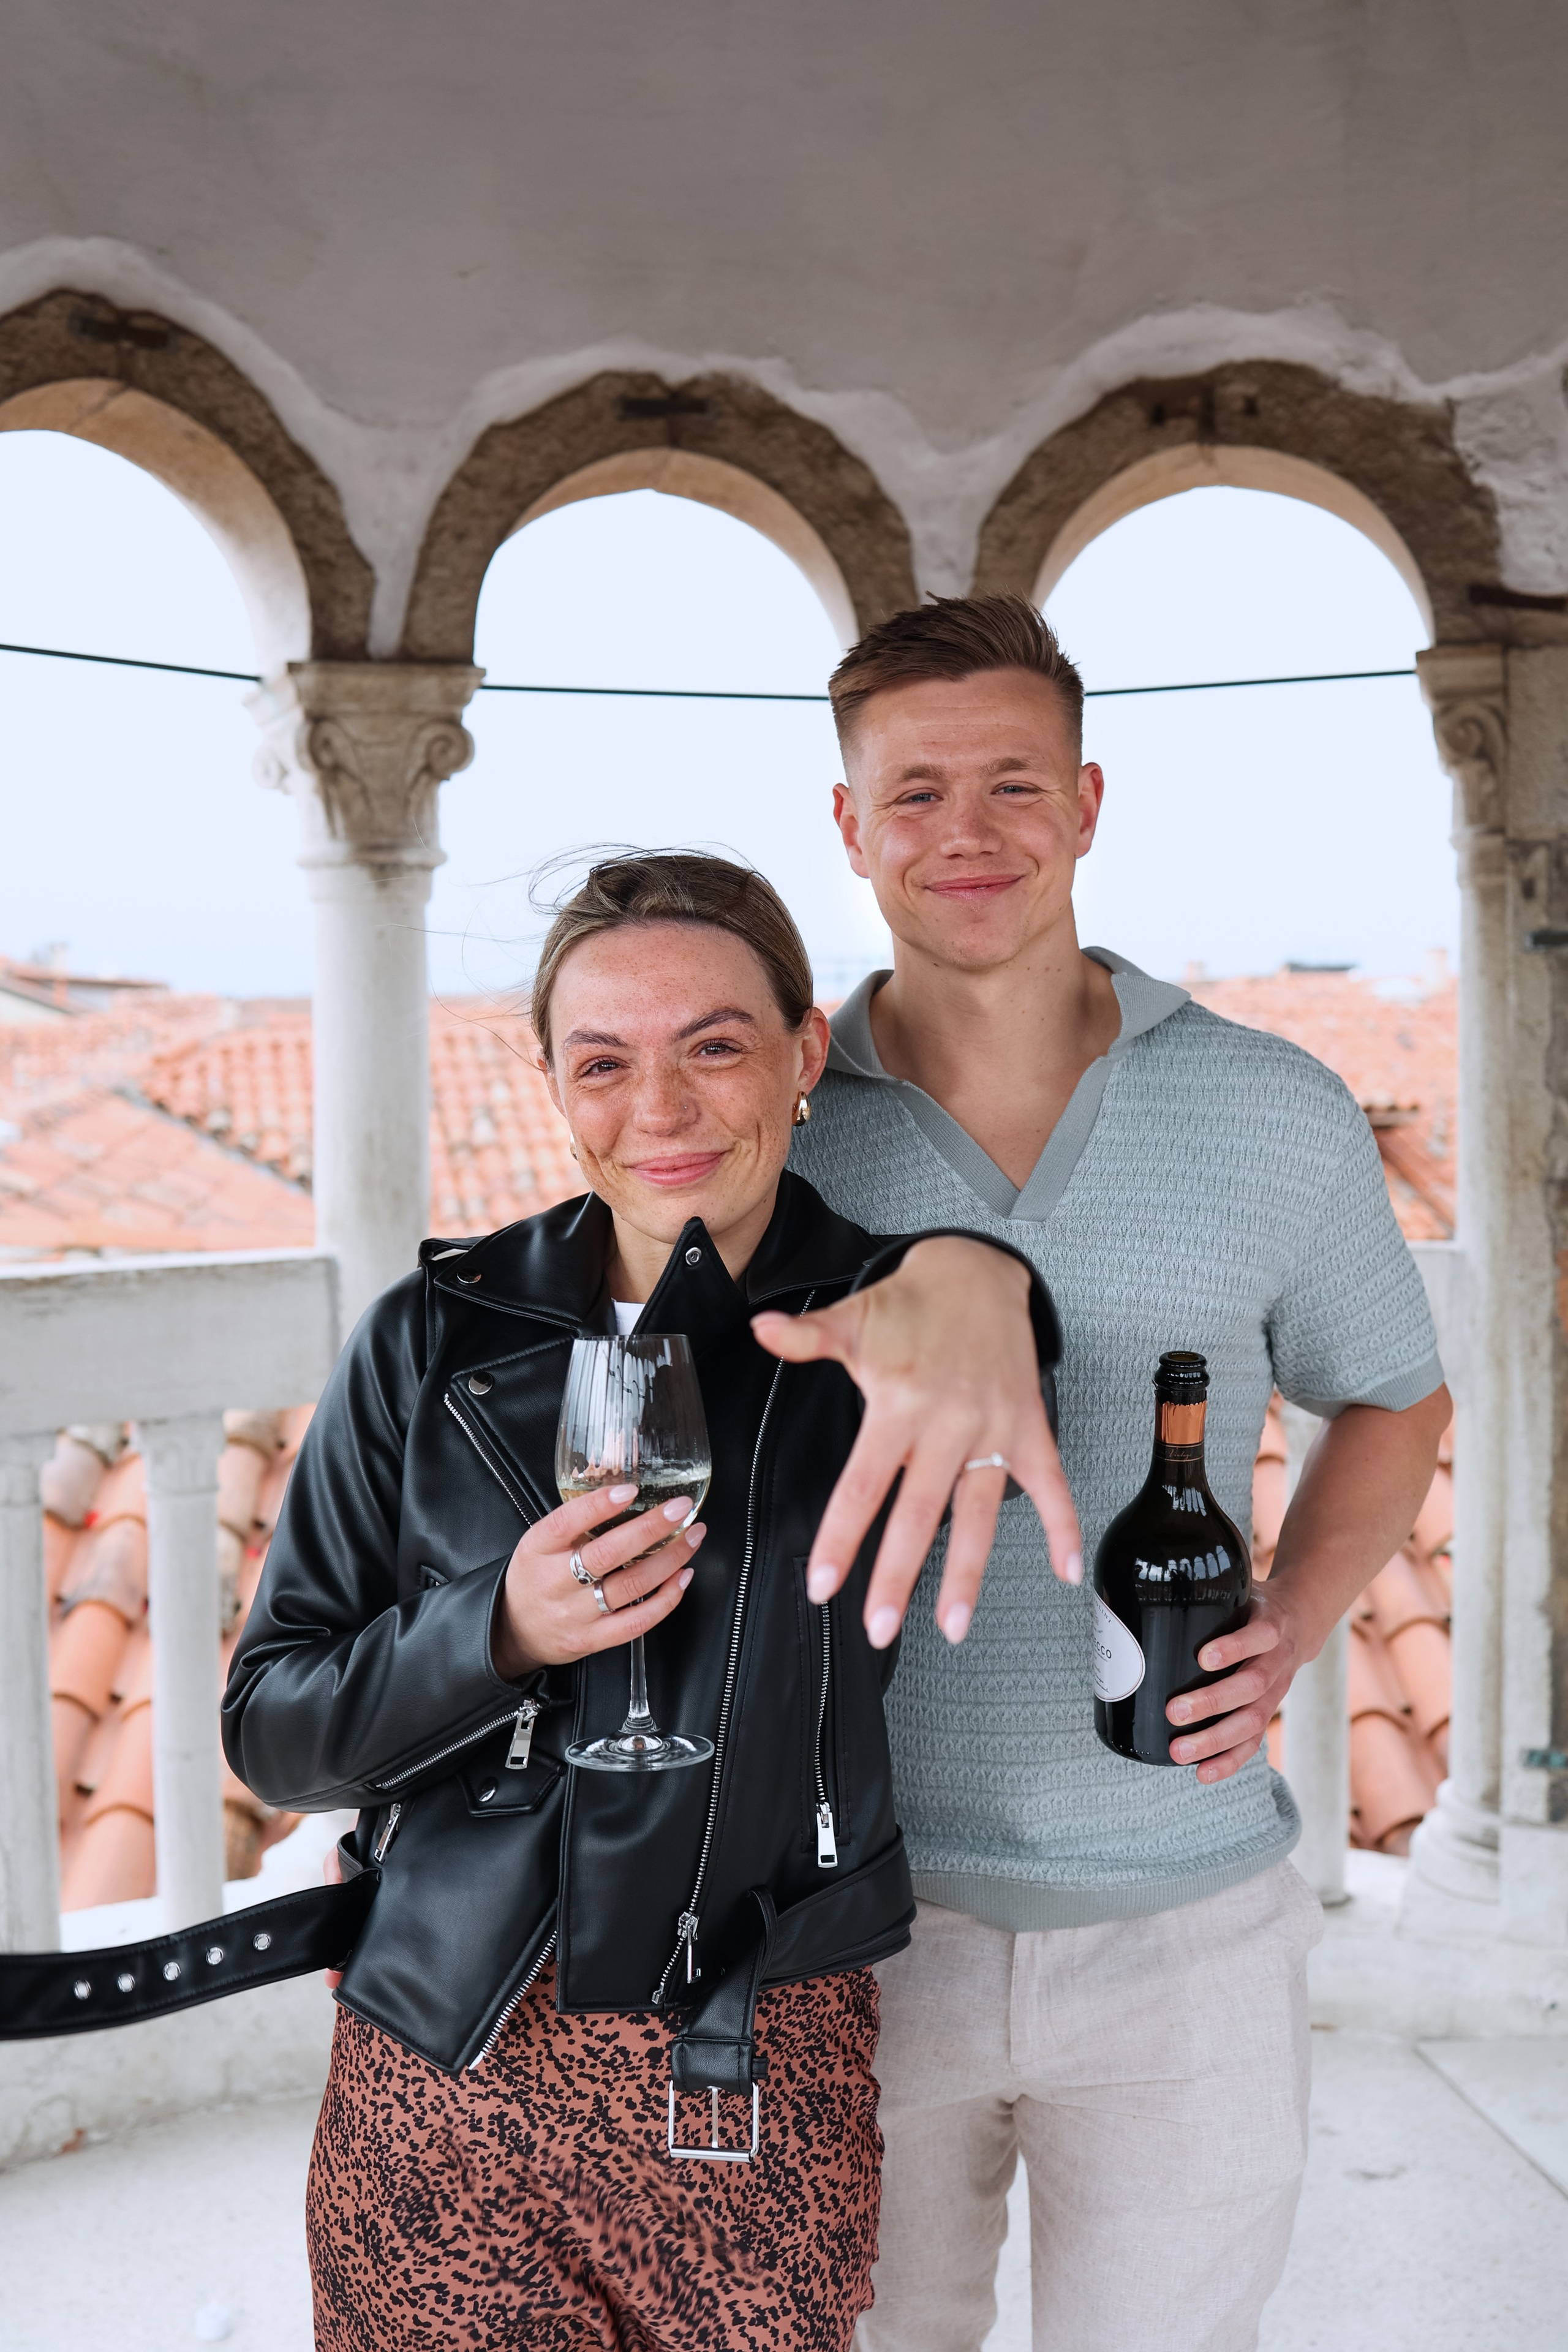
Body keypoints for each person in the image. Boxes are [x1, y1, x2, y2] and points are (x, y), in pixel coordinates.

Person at [221, 851, 1061, 2352]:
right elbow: (275, 1732)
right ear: (549, 1079)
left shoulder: (896, 1323)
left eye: (714, 1046)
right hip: (444, 2058)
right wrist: (498, 1631)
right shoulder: (427, 1338)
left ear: (806, 1054)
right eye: (601, 1060)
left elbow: (996, 1332)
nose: (657, 1109)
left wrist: (983, 1277)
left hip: (751, 2064)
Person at [766, 594, 1451, 2351]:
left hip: (1190, 1926)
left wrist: (1294, 1621)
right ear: (847, 826)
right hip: (846, 1924)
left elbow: (1391, 1399)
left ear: (1086, 800)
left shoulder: (1271, 1107)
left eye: (1011, 783)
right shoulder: (775, 1126)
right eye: (913, 793)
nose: (966, 834)